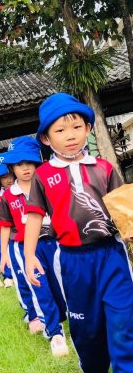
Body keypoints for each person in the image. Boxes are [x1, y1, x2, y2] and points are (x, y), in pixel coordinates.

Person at [24, 93, 133, 372]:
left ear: (88, 129)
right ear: (46, 138)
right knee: (87, 330)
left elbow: (124, 210)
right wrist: (29, 256)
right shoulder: (43, 176)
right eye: (60, 130)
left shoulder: (104, 168)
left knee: (124, 319)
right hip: (73, 262)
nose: (70, 135)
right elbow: (34, 216)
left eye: (76, 127)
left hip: (111, 255)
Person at [0, 136, 69, 357]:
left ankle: (71, 320)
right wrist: (4, 254)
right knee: (40, 288)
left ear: (38, 162)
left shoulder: (49, 184)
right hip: (26, 248)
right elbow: (5, 227)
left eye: (29, 162)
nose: (25, 168)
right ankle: (55, 332)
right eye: (19, 164)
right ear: (11, 168)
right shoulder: (8, 197)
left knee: (63, 284)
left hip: (54, 243)